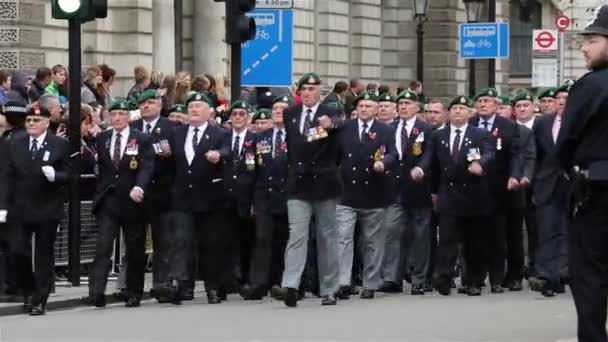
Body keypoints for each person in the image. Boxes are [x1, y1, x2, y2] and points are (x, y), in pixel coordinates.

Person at [555, 6, 608, 340]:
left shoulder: (591, 86)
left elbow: (566, 141)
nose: (584, 47)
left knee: (589, 273)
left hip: (598, 190)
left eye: (592, 39)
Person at [413, 95, 494, 296]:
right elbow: (428, 158)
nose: (457, 111)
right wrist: (420, 170)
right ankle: (444, 276)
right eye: (454, 108)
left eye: (461, 108)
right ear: (449, 113)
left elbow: (490, 153)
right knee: (447, 238)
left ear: (470, 112)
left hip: (474, 193)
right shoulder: (438, 136)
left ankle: (473, 280)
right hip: (448, 193)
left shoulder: (479, 134)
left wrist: (480, 163)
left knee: (473, 241)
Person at [0, 104, 71, 315]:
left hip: (47, 208)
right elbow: (6, 176)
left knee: (43, 255)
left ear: (47, 123)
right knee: (16, 250)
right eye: (29, 120)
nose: (31, 124)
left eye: (36, 121)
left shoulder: (60, 144)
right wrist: (2, 205)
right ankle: (29, 289)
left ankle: (40, 298)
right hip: (20, 208)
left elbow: (71, 175)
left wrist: (56, 176)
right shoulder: (15, 144)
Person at [280, 72, 343, 307]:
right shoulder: (291, 113)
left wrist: (331, 124)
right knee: (297, 236)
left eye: (312, 89)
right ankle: (291, 286)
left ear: (320, 91)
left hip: (324, 183)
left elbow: (342, 124)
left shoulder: (332, 111)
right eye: (303, 89)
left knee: (327, 237)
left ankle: (329, 288)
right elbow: (294, 145)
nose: (307, 93)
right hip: (298, 183)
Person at [87, 98, 154, 308]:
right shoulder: (103, 138)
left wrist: (140, 187)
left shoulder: (141, 139)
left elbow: (147, 167)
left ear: (128, 117)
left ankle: (134, 291)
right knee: (103, 246)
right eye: (113, 114)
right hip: (109, 200)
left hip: (132, 200)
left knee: (134, 248)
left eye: (121, 114)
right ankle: (96, 291)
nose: (117, 118)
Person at [168, 92, 230, 305]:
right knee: (182, 242)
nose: (193, 109)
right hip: (183, 197)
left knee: (210, 244)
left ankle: (213, 287)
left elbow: (229, 150)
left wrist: (219, 155)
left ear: (210, 111)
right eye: (191, 106)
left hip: (210, 198)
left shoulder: (219, 133)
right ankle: (182, 286)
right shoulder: (177, 133)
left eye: (198, 106)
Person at [335, 91, 397, 300]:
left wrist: (383, 162)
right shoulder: (345, 128)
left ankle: (370, 282)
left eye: (368, 106)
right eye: (361, 106)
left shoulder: (385, 130)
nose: (364, 110)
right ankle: (343, 281)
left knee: (372, 241)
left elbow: (393, 153)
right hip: (347, 193)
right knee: (343, 238)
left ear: (376, 109)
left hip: (374, 192)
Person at [471, 87, 521, 293]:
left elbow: (516, 155)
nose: (483, 104)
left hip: (500, 190)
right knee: (475, 237)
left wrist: (514, 176)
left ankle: (497, 279)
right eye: (480, 101)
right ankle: (475, 277)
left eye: (487, 101)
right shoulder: (470, 124)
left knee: (498, 237)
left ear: (496, 105)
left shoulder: (508, 126)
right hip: (473, 189)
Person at [242, 95, 291, 300]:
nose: (278, 110)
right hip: (264, 196)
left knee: (285, 241)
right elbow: (250, 168)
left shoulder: (297, 135)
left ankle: (283, 282)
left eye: (283, 107)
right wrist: (251, 199)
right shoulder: (259, 138)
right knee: (262, 240)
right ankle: (258, 284)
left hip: (290, 196)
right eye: (275, 108)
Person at [130, 89, 176, 303]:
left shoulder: (171, 128)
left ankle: (161, 285)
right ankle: (133, 288)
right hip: (138, 194)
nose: (145, 106)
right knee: (135, 242)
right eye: (142, 103)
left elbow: (175, 158)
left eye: (149, 102)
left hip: (161, 192)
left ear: (159, 105)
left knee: (162, 242)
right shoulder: (133, 128)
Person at [394, 90, 434, 295]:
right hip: (394, 190)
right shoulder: (390, 128)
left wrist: (421, 168)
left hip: (418, 189)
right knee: (395, 234)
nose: (403, 106)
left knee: (420, 236)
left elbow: (428, 154)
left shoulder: (425, 129)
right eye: (400, 103)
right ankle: (394, 277)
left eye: (407, 103)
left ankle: (419, 278)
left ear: (416, 107)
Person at [222, 100, 257, 291]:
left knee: (247, 240)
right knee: (226, 239)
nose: (237, 117)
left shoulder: (256, 139)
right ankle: (229, 280)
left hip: (247, 196)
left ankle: (246, 278)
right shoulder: (223, 138)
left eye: (242, 114)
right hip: (225, 197)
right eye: (234, 114)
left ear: (248, 118)